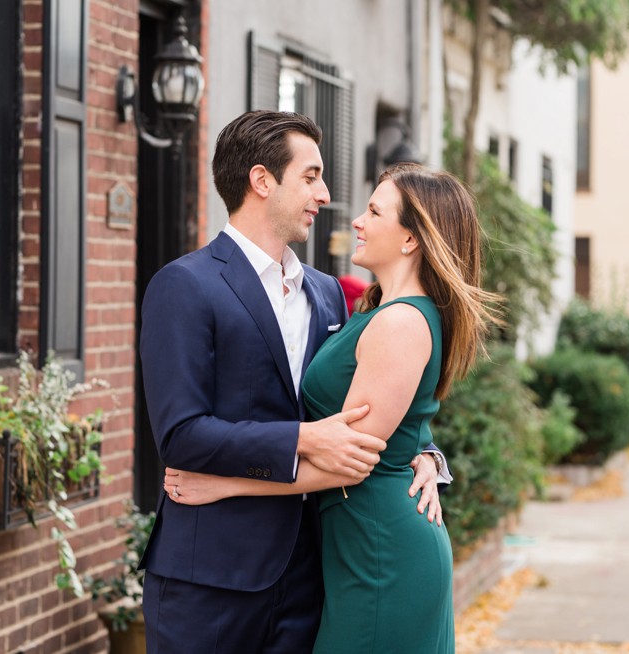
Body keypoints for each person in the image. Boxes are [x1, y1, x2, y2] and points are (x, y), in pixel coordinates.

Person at [138, 111, 447, 653]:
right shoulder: (184, 286)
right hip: (210, 577)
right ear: (262, 181)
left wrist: (426, 455)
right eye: (311, 176)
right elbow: (181, 437)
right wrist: (305, 439)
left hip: (312, 577)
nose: (325, 194)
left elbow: (370, 397)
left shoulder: (328, 293)